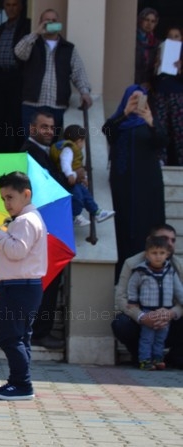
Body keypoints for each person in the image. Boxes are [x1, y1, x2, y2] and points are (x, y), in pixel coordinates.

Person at [0, 171, 47, 400]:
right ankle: (19, 382)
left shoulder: (25, 221)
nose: (6, 203)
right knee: (20, 338)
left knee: (9, 338)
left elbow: (16, 251)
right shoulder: (25, 220)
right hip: (22, 287)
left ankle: (21, 384)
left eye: (9, 197)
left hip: (20, 287)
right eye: (3, 198)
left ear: (26, 194)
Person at [103, 84, 167, 281]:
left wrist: (150, 121)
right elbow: (108, 131)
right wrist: (125, 112)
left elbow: (162, 140)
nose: (137, 102)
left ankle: (146, 275)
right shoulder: (119, 121)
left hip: (147, 186)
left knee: (144, 227)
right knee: (122, 226)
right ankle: (121, 276)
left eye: (141, 98)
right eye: (133, 98)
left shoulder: (150, 122)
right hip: (122, 185)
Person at [20, 111, 70, 350]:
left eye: (52, 127)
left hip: (46, 225)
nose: (49, 131)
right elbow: (45, 187)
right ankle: (39, 331)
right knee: (46, 280)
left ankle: (39, 329)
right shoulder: (30, 154)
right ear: (32, 129)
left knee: (49, 280)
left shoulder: (46, 153)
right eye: (44, 127)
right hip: (39, 227)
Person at [111, 224, 183, 368]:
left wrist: (171, 313)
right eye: (164, 238)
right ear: (150, 241)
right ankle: (140, 356)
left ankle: (173, 356)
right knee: (121, 323)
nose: (169, 243)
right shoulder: (132, 264)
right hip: (143, 316)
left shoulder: (178, 266)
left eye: (173, 240)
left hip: (169, 320)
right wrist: (142, 317)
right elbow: (121, 297)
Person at [15, 8, 92, 138]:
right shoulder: (32, 43)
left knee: (54, 146)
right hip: (32, 105)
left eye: (54, 20)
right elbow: (19, 53)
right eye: (47, 20)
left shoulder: (68, 48)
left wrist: (84, 92)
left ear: (59, 23)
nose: (51, 23)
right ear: (40, 23)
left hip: (57, 107)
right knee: (30, 142)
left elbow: (78, 72)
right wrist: (36, 32)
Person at [49, 124, 115, 227]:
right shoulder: (69, 149)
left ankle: (97, 212)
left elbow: (77, 166)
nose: (83, 144)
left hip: (76, 180)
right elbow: (65, 162)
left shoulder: (72, 149)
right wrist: (70, 174)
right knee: (78, 197)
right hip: (70, 181)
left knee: (86, 196)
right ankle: (75, 215)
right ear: (79, 140)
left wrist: (84, 178)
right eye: (83, 141)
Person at [0, 0, 30, 153]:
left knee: (13, 119)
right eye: (7, 5)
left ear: (21, 6)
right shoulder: (0, 29)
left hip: (16, 78)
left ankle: (12, 153)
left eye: (14, 5)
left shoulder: (26, 26)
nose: (11, 8)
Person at [153, 26, 183, 166]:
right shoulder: (160, 50)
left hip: (177, 94)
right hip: (161, 92)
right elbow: (152, 77)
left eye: (176, 36)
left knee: (179, 128)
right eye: (170, 36)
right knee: (161, 126)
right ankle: (161, 158)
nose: (173, 38)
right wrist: (156, 66)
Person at [135, 8, 159, 87]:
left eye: (153, 21)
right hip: (133, 83)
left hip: (149, 85)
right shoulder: (132, 39)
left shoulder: (156, 43)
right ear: (140, 20)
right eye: (146, 20)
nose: (149, 24)